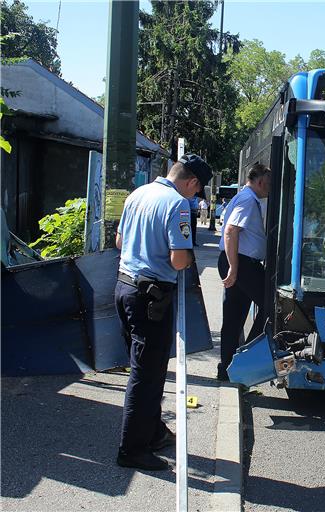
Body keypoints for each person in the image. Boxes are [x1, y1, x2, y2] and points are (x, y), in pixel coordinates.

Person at [114, 154, 212, 471]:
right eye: (197, 191)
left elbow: (119, 241)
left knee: (143, 369)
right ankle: (132, 449)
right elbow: (178, 261)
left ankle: (153, 433)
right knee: (146, 377)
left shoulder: (138, 194)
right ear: (193, 182)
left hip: (124, 288)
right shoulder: (177, 204)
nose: (195, 197)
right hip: (151, 298)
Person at [217, 163, 271, 381]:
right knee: (270, 305)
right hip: (242, 262)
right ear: (260, 182)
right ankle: (246, 358)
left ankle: (228, 368)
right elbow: (230, 231)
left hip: (239, 261)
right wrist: (234, 267)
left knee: (234, 317)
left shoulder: (244, 197)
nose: (270, 188)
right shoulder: (249, 200)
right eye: (268, 184)